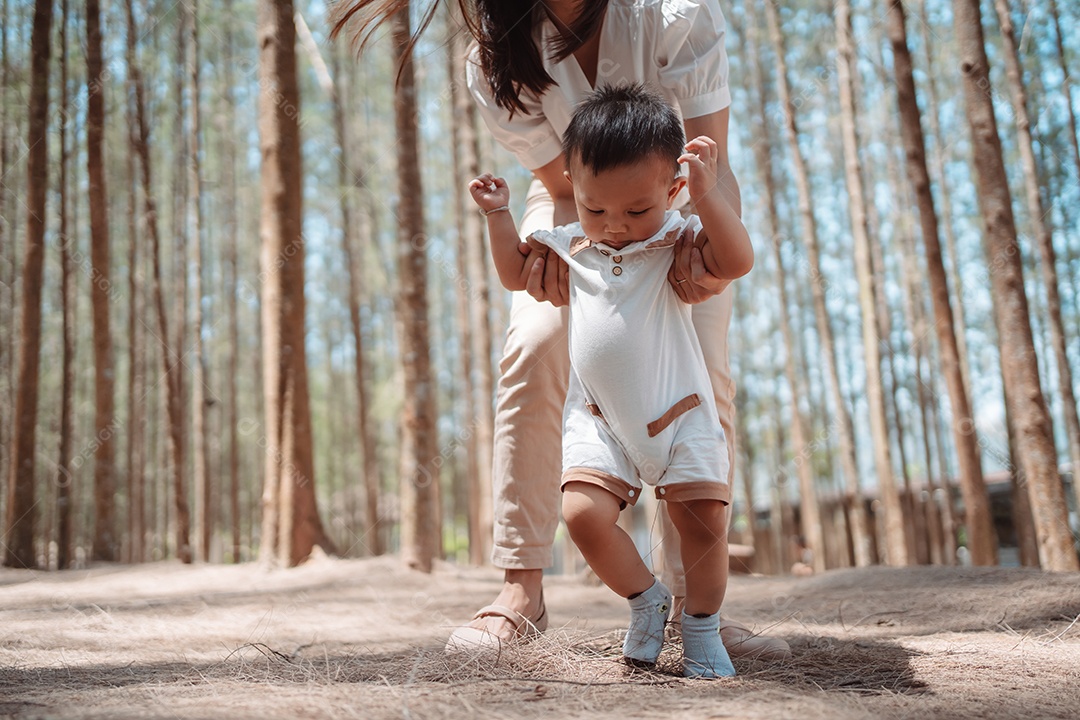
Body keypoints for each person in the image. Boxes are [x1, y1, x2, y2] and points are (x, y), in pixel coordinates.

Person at [331, 0, 790, 661]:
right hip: (580, 200)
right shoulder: (493, 60)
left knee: (702, 362)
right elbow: (567, 187)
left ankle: (698, 611)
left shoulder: (676, 12)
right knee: (535, 343)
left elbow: (702, 156)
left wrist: (693, 259)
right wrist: (556, 248)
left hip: (687, 198)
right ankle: (522, 588)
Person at [469, 84, 752, 677]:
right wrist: (499, 216)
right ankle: (645, 600)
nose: (616, 226)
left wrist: (707, 199)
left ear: (672, 190)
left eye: (636, 211)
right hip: (600, 420)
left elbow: (735, 261)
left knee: (704, 523)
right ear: (574, 189)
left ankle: (701, 627)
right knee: (581, 514)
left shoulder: (674, 238)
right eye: (596, 209)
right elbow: (516, 274)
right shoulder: (570, 244)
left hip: (679, 411)